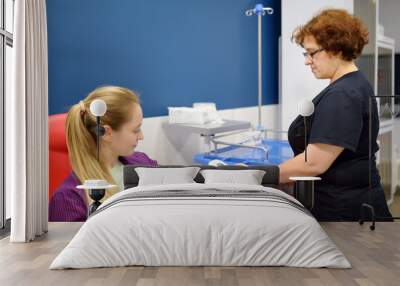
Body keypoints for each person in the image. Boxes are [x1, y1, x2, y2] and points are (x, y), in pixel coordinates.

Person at [279, 9, 392, 221]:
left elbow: (313, 163)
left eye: (312, 53)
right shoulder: (351, 85)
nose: (307, 61)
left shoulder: (344, 94)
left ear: (336, 49)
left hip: (345, 212)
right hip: (348, 203)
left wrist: (264, 175)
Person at [49, 86, 157, 221]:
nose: (141, 136)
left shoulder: (144, 163)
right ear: (107, 133)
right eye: (136, 130)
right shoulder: (68, 200)